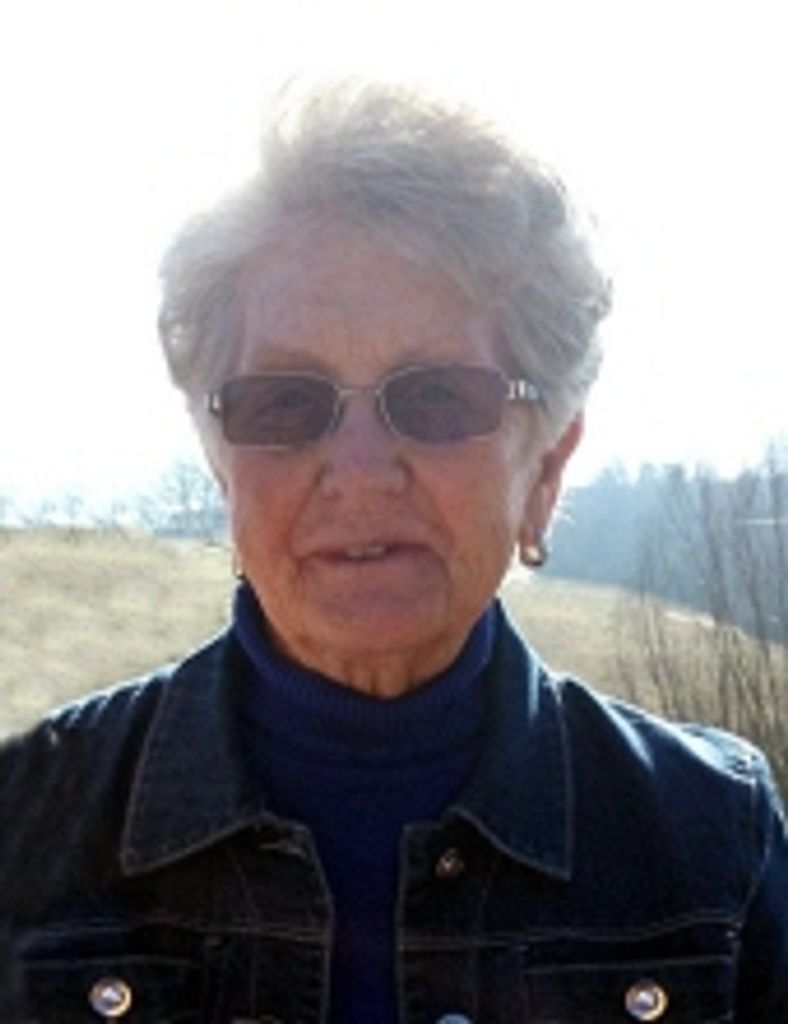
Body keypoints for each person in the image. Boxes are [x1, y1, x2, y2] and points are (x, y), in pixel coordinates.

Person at [1, 83, 786, 1023]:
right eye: (285, 403)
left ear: (547, 463)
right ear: (220, 463)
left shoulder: (712, 843)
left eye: (439, 398)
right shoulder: (25, 824)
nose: (362, 472)